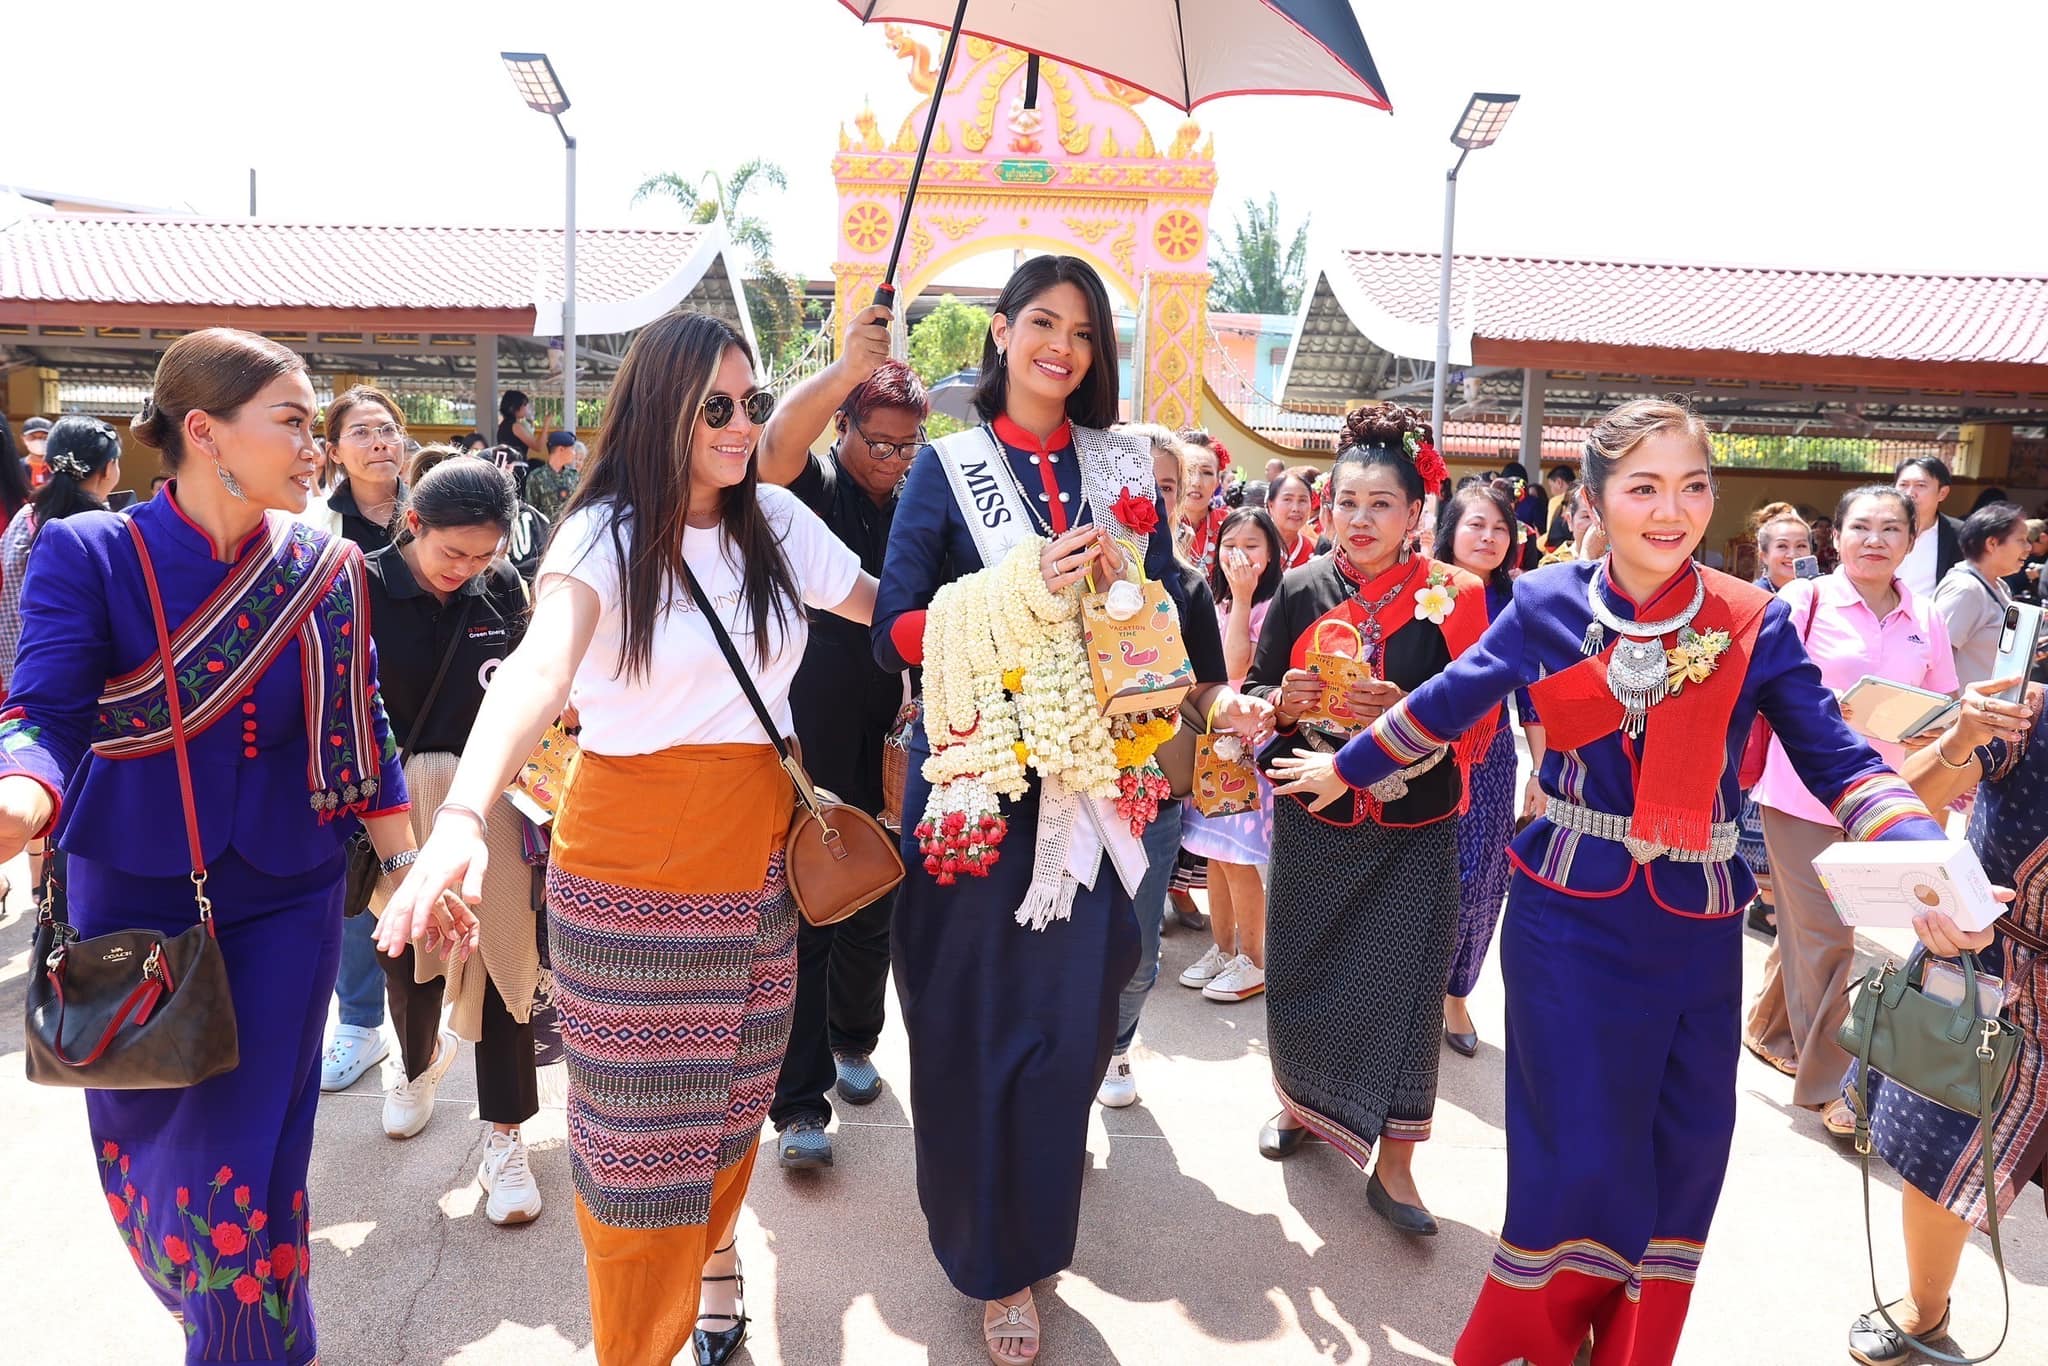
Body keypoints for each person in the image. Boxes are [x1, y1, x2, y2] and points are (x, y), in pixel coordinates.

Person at [1271, 398, 1956, 1365]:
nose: (1670, 509)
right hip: (1567, 926)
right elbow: (1449, 699)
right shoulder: (1547, 603)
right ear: (1594, 500)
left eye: (1692, 486)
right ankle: (1544, 1342)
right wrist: (1344, 766)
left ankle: (1630, 1346)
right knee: (1577, 1158)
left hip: (1696, 932)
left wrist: (1920, 851)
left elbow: (1840, 755)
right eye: (1643, 487)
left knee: (1682, 1156)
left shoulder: (1751, 621)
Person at [383, 309, 874, 1366]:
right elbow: (537, 670)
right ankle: (633, 1348)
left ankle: (706, 1285)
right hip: (632, 885)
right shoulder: (601, 534)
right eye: (716, 407)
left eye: (750, 404)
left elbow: (893, 609)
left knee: (731, 1120)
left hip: (760, 873)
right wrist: (465, 813)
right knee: (641, 1158)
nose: (741, 426)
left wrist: (1031, 608)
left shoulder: (779, 524)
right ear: (660, 407)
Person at [0, 328, 449, 1365]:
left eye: (313, 424)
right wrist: (23, 798)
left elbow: (361, 727)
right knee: (156, 1163)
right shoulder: (90, 552)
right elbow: (44, 710)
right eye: (292, 422)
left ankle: (253, 1345)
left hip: (284, 902)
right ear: (203, 432)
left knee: (245, 1165)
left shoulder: (325, 567)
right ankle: (225, 1318)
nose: (315, 447)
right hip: (132, 901)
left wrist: (406, 863)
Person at [872, 255, 1266, 1364]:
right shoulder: (948, 471)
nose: (1063, 346)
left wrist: (1212, 696)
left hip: (1101, 797)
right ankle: (985, 1255)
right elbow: (892, 628)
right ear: (998, 332)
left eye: (1084, 331)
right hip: (980, 796)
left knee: (1067, 1033)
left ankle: (1032, 1237)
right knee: (968, 1027)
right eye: (1042, 322)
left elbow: (1165, 615)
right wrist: (1018, 588)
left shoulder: (1119, 465)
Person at [1250, 403, 1488, 1239]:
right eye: (1347, 502)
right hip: (1316, 814)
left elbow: (1481, 722)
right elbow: (1256, 697)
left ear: (1417, 513)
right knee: (1303, 970)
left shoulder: (1457, 597)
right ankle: (1299, 1105)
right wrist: (1282, 702)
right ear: (1327, 509)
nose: (1361, 519)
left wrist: (1412, 712)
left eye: (1381, 503)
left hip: (1414, 827)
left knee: (1409, 991)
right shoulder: (1300, 586)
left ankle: (1397, 1165)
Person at [361, 456, 549, 1226]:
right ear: (414, 525)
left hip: (491, 808)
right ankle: (418, 1061)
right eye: (452, 554)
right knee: (407, 957)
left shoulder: (503, 590)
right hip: (391, 811)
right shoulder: (359, 586)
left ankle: (506, 1138)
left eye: (484, 555)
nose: (467, 570)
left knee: (507, 964)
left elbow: (534, 695)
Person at [754, 306, 921, 1170]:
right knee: (809, 901)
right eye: (876, 442)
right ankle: (797, 1105)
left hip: (889, 731)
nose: (890, 461)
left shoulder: (922, 501)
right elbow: (776, 444)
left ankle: (857, 1041)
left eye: (905, 447)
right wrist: (842, 369)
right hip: (804, 728)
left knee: (877, 894)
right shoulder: (807, 488)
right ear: (845, 425)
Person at [1742, 487, 1956, 1140]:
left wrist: (1932, 733)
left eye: (1891, 528)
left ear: (1912, 542)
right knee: (1832, 941)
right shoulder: (1801, 602)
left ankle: (1768, 1026)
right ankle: (1835, 1089)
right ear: (1833, 538)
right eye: (1860, 526)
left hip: (1879, 801)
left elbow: (1944, 701)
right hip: (1800, 793)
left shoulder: (1927, 616)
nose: (1874, 539)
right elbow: (1755, 682)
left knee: (1815, 932)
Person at [1856, 674, 2044, 1365]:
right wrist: (1963, 736)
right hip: (1984, 965)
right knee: (1937, 1158)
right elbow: (1907, 802)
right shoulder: (2027, 713)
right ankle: (1926, 1307)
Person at [308, 386, 413, 1093]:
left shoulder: (436, 509)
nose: (380, 442)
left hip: (441, 724)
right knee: (359, 880)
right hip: (352, 729)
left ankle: (436, 1030)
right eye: (363, 431)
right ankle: (359, 1024)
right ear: (336, 449)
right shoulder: (317, 529)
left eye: (389, 429)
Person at [1433, 480, 1546, 1057]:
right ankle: (1412, 991)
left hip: (1492, 756)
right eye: (1476, 524)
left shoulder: (1520, 603)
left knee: (1480, 881)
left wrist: (1539, 772)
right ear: (1450, 529)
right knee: (1423, 876)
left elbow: (1532, 696)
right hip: (1420, 749)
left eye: (1501, 527)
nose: (1488, 536)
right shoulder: (1420, 588)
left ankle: (1457, 993)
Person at [1175, 504, 1284, 1007]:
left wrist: (1242, 598)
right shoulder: (1209, 602)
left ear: (1272, 554)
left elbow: (1234, 664)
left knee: (1239, 860)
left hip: (1246, 743)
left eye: (1252, 546)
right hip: (1211, 744)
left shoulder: (1267, 606)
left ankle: (1254, 960)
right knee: (1214, 855)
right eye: (1230, 545)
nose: (1238, 555)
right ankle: (1223, 949)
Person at [1734, 502, 1813, 940]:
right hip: (1760, 728)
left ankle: (1775, 906)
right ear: (1762, 554)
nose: (1792, 553)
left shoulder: (1825, 597)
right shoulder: (1752, 602)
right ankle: (1764, 904)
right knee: (1753, 823)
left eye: (1801, 545)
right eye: (1782, 546)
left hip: (1803, 728)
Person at [0, 415, 122, 688]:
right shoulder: (110, 529)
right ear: (108, 468)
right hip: (97, 683)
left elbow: (8, 601)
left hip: (25, 676)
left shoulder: (25, 517)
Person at [1932, 500, 2029, 688]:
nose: (2028, 548)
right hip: (1963, 712)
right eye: (2021, 540)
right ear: (1992, 543)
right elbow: (1935, 657)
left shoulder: (1999, 586)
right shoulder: (1965, 589)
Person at [1894, 454, 1963, 603]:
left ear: (1942, 493)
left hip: (1930, 621)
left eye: (1920, 485)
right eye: (1903, 485)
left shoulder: (1960, 535)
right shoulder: (1878, 531)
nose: (1910, 493)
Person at [1177, 429, 1225, 573]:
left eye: (1207, 472)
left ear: (1217, 482)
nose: (1197, 482)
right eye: (1189, 470)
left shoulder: (1230, 526)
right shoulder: (1157, 525)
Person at [524, 429, 583, 525]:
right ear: (561, 450)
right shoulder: (536, 477)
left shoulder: (574, 476)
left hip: (570, 532)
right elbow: (531, 511)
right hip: (546, 535)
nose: (574, 453)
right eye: (572, 449)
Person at [1266, 467, 1318, 571]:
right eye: (1287, 499)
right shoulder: (1257, 544)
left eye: (1302, 500)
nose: (1296, 508)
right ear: (1271, 505)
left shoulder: (1315, 549)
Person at [495, 388, 540, 462]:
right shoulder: (515, 426)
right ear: (514, 407)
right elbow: (538, 447)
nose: (526, 408)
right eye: (524, 405)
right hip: (516, 467)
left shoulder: (504, 425)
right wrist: (546, 425)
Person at [1541, 462, 1574, 550]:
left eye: (1551, 486)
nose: (1551, 491)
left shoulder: (1555, 501)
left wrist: (1537, 542)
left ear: (1559, 482)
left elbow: (1550, 533)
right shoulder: (1584, 496)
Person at [22, 414, 52, 487]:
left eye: (44, 437)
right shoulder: (16, 468)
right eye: (33, 437)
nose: (38, 441)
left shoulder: (59, 470)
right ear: (23, 438)